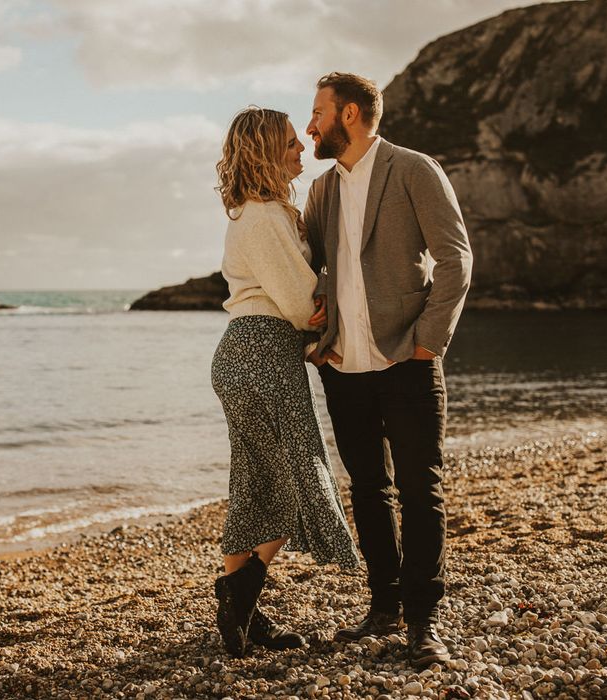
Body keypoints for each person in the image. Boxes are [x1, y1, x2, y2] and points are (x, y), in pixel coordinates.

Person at [303, 73, 472, 669]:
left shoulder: (413, 168)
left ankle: (424, 622)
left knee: (422, 490)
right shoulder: (320, 190)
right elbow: (309, 273)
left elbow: (456, 257)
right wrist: (315, 340)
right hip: (343, 367)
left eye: (318, 112)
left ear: (349, 114)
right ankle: (384, 606)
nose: (310, 125)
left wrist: (430, 340)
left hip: (407, 360)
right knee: (369, 490)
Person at [210, 106, 359, 659]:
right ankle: (239, 599)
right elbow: (302, 306)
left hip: (246, 354)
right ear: (268, 152)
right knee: (297, 478)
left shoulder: (253, 213)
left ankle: (244, 615)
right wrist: (319, 303)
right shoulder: (267, 216)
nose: (302, 150)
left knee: (253, 480)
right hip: (263, 354)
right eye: (291, 144)